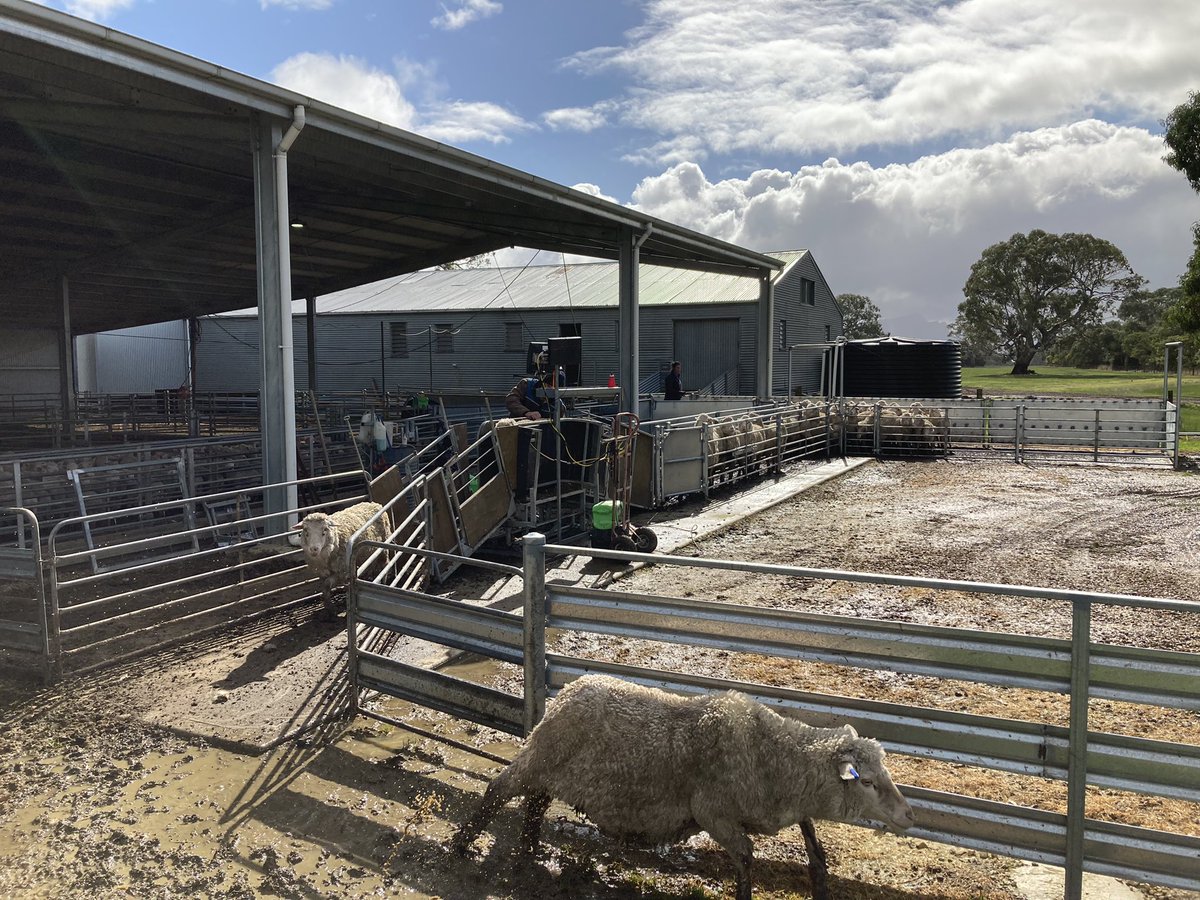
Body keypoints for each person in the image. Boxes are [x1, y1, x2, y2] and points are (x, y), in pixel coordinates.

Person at [504, 359, 561, 500]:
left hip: (540, 441)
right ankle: (518, 492)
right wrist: (526, 413)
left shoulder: (557, 402)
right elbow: (511, 400)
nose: (549, 391)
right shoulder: (526, 385)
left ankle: (541, 488)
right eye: (548, 386)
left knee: (536, 464)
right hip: (518, 435)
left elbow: (560, 414)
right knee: (516, 465)